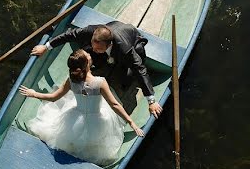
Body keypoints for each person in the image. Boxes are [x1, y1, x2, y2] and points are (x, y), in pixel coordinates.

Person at [19, 49, 144, 167]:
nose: (89, 55)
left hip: (74, 118)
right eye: (87, 55)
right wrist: (131, 122)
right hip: (97, 120)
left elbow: (53, 97)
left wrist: (34, 93)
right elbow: (114, 105)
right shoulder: (100, 82)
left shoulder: (71, 81)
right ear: (87, 64)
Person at [30, 21, 163, 118]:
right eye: (94, 46)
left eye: (98, 49)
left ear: (109, 45)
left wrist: (151, 101)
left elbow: (140, 69)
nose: (94, 50)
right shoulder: (90, 32)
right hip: (111, 30)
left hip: (131, 38)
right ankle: (104, 62)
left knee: (128, 75)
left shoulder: (125, 48)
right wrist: (46, 47)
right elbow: (68, 35)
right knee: (91, 56)